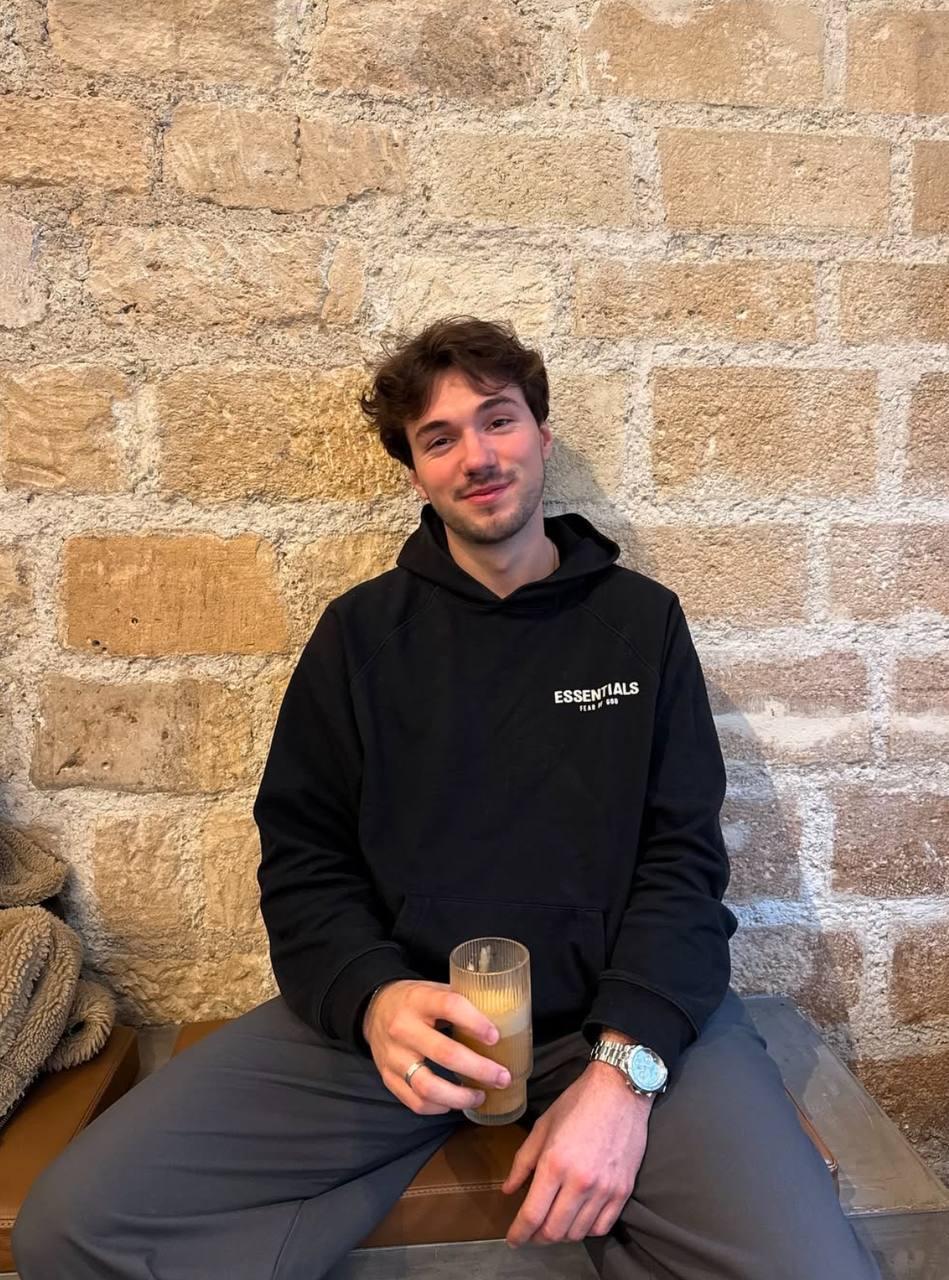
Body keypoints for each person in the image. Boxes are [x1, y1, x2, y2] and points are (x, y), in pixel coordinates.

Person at [12, 316, 880, 1280]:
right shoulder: (359, 637)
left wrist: (624, 1077)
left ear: (541, 435)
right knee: (72, 1228)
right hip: (403, 1031)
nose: (477, 455)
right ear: (416, 471)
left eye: (496, 420)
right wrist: (373, 999)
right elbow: (303, 859)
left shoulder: (640, 625)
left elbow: (682, 864)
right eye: (439, 438)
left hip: (612, 1021)